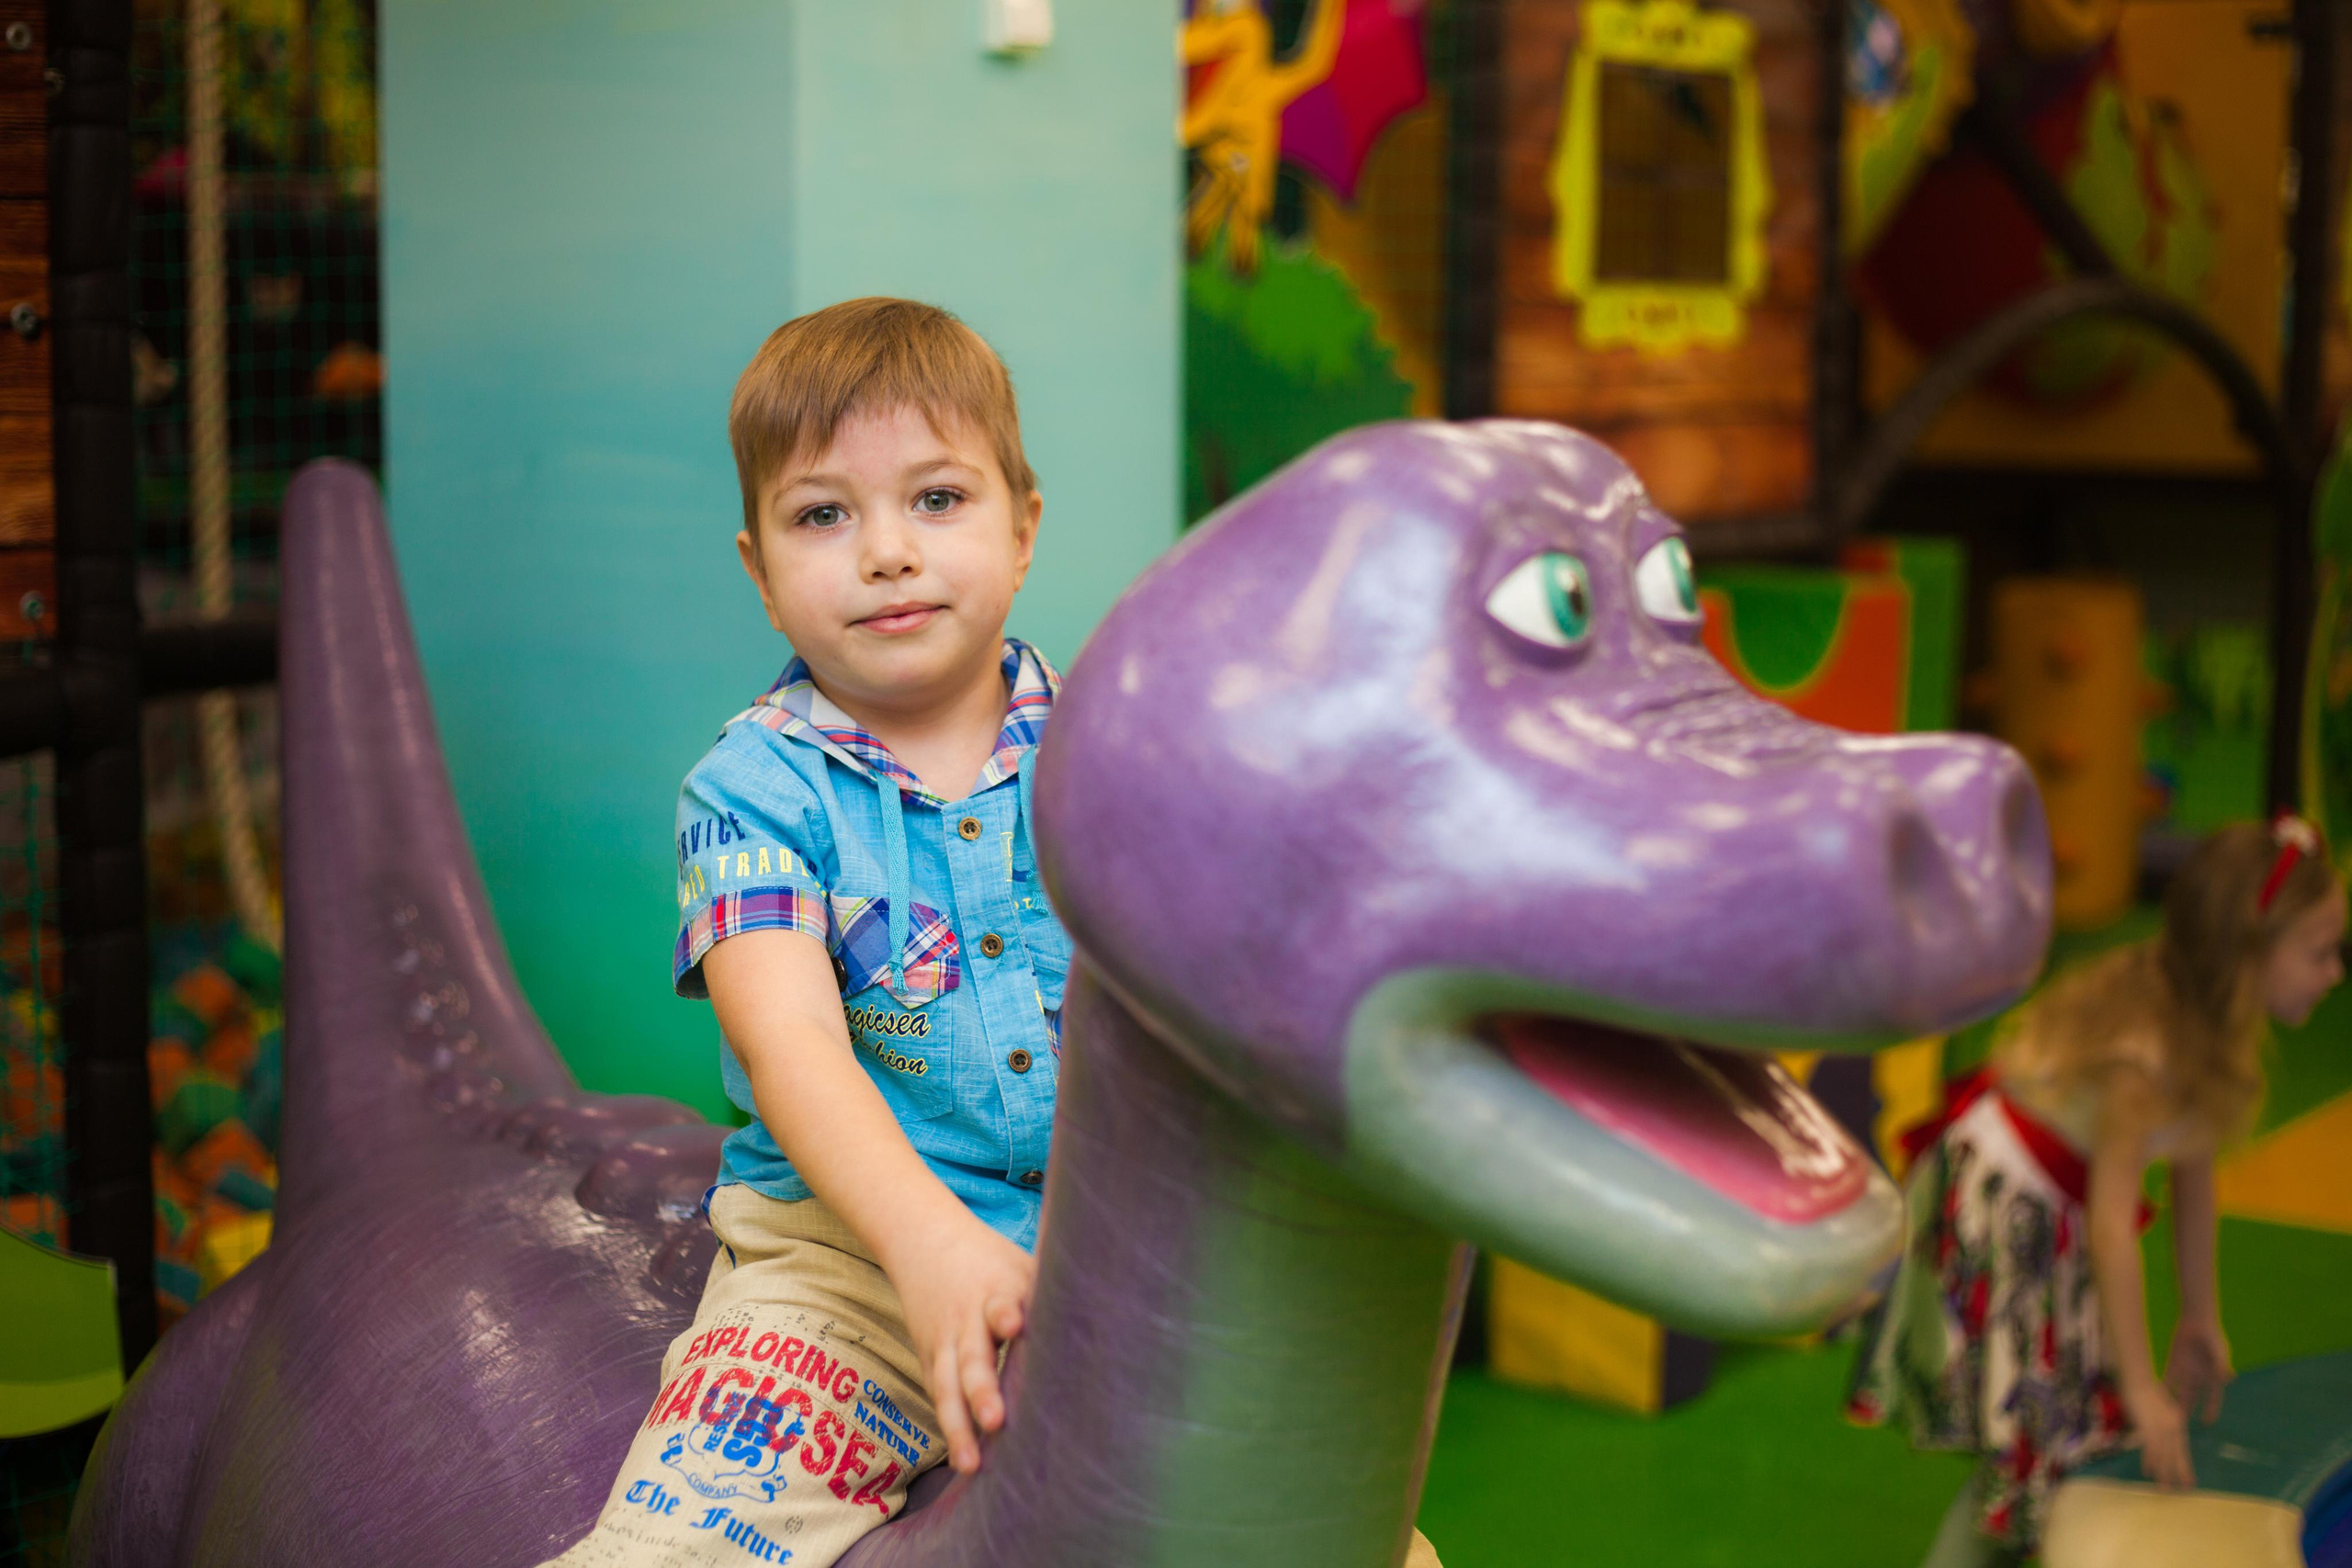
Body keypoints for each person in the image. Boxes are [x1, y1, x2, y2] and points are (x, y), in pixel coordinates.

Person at [536, 297, 1066, 1567]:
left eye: (937, 498)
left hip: (1110, 1230)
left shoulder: (1119, 748)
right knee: (675, 1549)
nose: (886, 550)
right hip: (842, 1255)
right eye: (824, 514)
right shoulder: (751, 790)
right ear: (760, 571)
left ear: (1023, 526)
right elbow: (793, 1052)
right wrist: (928, 1241)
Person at [1848, 816, 2347, 1568]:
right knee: (2044, 1436)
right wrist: (2144, 1387)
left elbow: (2193, 1168)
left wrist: (2201, 1318)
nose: (2336, 971)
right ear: (2247, 956)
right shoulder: (2145, 1056)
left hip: (2056, 1194)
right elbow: (2114, 1225)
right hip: (2005, 1192)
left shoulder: (2214, 1017)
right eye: (2319, 952)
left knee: (2062, 1430)